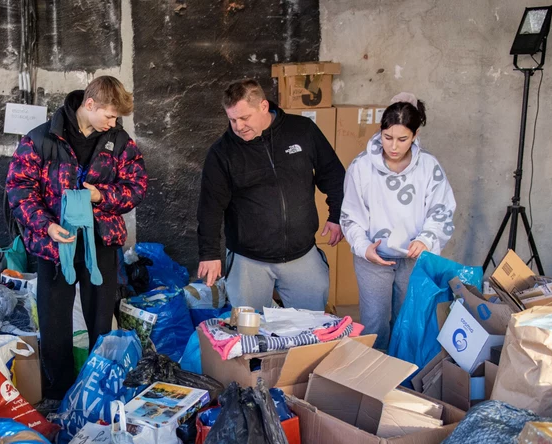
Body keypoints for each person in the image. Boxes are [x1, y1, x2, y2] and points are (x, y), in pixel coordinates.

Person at [6, 76, 147, 405]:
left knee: (101, 321)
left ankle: (99, 390)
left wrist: (102, 194)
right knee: (54, 325)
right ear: (90, 104)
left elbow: (136, 187)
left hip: (101, 244)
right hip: (55, 246)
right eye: (109, 116)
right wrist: (47, 227)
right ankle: (58, 396)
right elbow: (19, 189)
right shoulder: (40, 139)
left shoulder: (120, 142)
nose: (113, 123)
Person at [196, 79, 345, 311]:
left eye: (245, 118)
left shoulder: (302, 130)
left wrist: (336, 215)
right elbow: (210, 208)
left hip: (302, 254)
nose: (238, 126)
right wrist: (209, 253)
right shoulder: (222, 152)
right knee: (251, 335)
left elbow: (333, 174)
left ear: (264, 106)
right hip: (248, 260)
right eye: (232, 119)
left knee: (311, 329)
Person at [340, 93, 457, 350]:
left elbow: (442, 210)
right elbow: (350, 216)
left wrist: (426, 239)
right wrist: (363, 247)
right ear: (380, 132)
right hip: (373, 260)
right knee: (374, 326)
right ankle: (374, 383)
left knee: (410, 324)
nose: (393, 146)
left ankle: (403, 381)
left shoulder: (429, 167)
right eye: (387, 137)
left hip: (414, 259)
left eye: (402, 139)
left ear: (415, 136)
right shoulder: (361, 167)